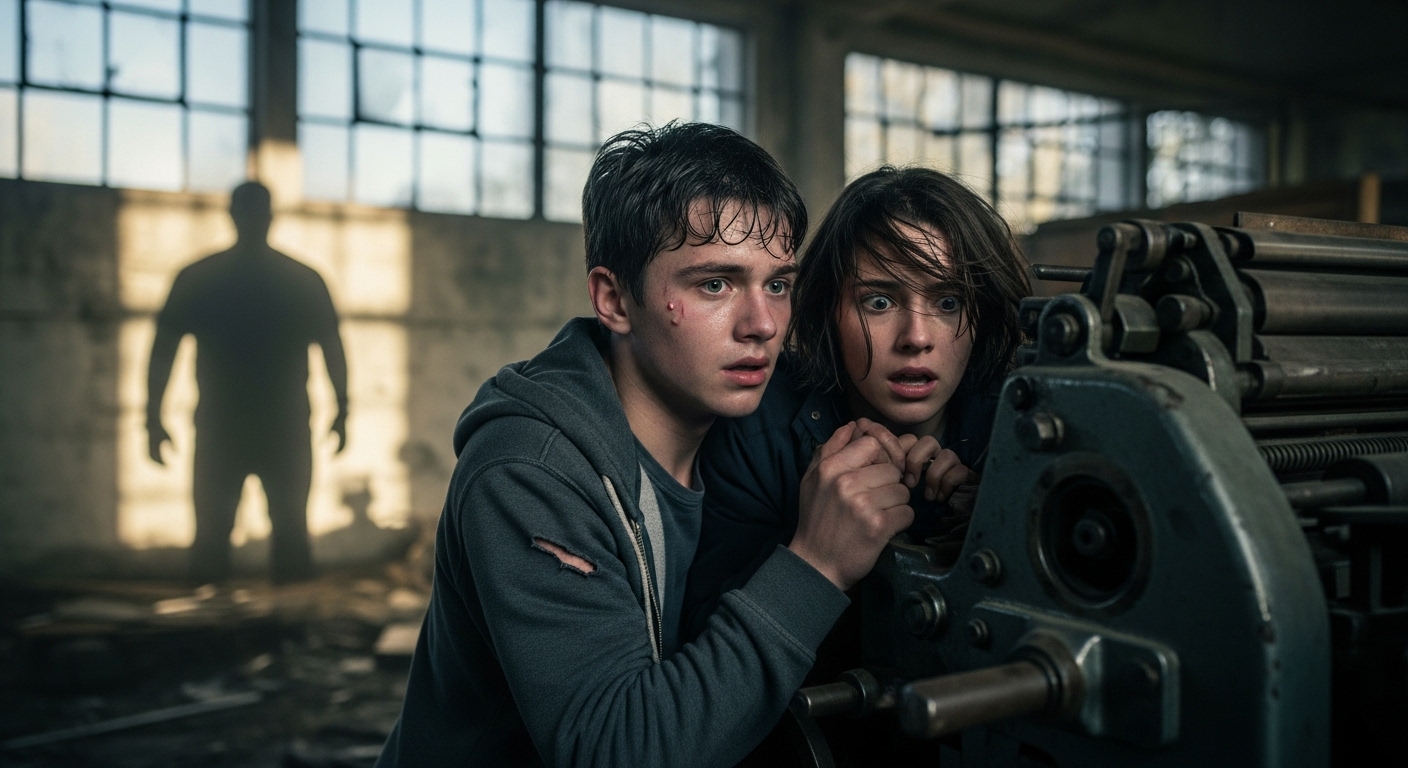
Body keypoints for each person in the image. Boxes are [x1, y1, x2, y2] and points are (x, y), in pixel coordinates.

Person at [375, 123, 919, 768]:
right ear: (614, 299)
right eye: (714, 284)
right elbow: (617, 751)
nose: (764, 325)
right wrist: (817, 566)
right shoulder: (531, 471)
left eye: (777, 284)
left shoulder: (747, 422)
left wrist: (916, 464)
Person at [683, 165, 1031, 648]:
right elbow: (705, 649)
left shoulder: (1021, 427)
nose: (917, 338)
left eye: (949, 302)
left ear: (982, 313)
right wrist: (814, 541)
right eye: (879, 302)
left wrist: (997, 527)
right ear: (829, 309)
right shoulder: (757, 427)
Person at [146, 182, 348, 585]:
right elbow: (333, 350)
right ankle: (292, 635)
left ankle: (209, 633)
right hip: (283, 427)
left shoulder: (199, 277)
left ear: (232, 215)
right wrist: (344, 410)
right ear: (270, 217)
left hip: (223, 427)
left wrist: (152, 418)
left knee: (212, 542)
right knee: (290, 537)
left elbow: (162, 352)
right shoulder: (303, 280)